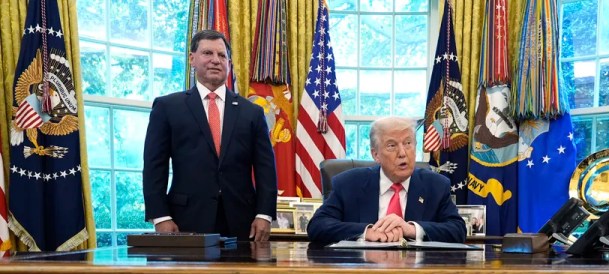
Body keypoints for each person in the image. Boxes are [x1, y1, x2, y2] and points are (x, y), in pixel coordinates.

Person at [143, 29, 277, 241]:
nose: (216, 60)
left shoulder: (252, 112)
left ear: (229, 63)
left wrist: (264, 214)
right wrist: (160, 216)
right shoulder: (167, 107)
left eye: (222, 55)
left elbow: (265, 168)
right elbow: (154, 167)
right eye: (207, 53)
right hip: (185, 219)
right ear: (192, 59)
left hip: (243, 221)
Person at [307, 116, 466, 245]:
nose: (402, 153)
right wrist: (367, 232)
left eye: (408, 143)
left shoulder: (436, 185)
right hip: (363, 270)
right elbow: (317, 226)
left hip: (417, 271)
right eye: (391, 145)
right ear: (375, 154)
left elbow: (458, 230)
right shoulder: (349, 184)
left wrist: (411, 229)